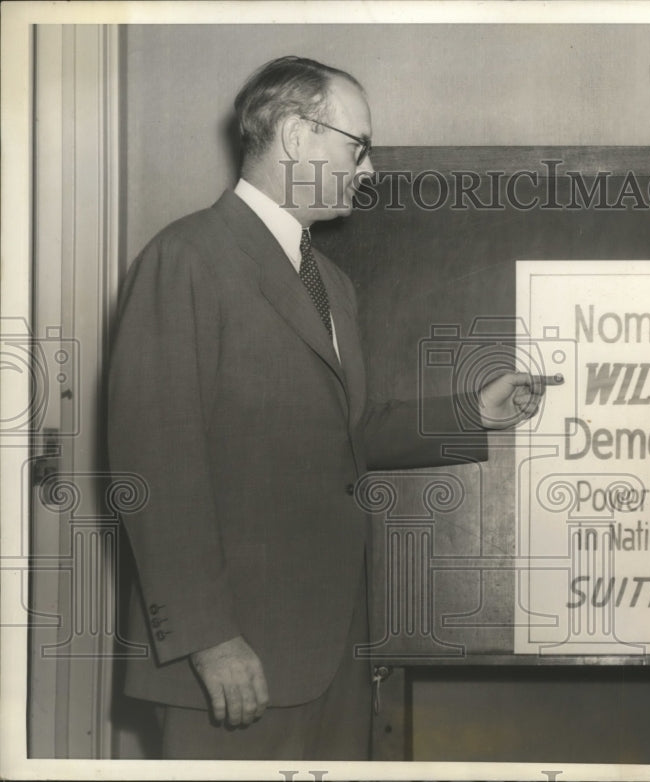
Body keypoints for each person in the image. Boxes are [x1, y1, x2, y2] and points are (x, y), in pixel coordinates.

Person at [107, 55, 542, 760]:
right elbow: (154, 463)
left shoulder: (332, 282)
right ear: (295, 134)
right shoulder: (185, 258)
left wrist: (471, 413)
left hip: (331, 653)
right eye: (358, 145)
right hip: (231, 658)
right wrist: (209, 638)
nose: (368, 169)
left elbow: (345, 433)